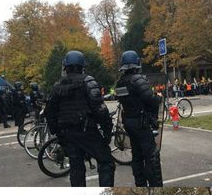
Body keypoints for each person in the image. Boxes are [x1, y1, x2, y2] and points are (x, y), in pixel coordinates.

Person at [44, 51, 115, 187]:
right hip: (87, 132)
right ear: (82, 65)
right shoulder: (88, 81)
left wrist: (58, 133)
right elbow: (100, 110)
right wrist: (107, 131)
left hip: (68, 134)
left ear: (66, 66)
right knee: (106, 162)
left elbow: (49, 112)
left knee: (76, 168)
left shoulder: (57, 85)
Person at [115, 51, 162, 186]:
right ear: (136, 64)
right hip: (140, 122)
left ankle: (140, 182)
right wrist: (157, 98)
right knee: (151, 155)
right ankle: (155, 183)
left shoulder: (120, 83)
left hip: (129, 122)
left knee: (137, 155)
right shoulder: (138, 79)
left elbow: (123, 99)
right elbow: (150, 99)